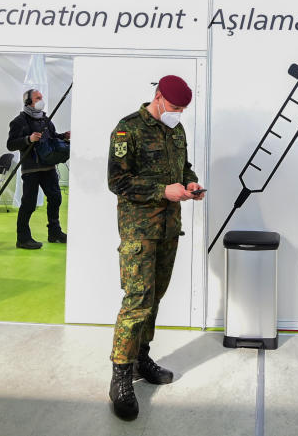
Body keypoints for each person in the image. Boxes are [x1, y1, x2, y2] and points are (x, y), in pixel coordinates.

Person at [106, 75, 205, 421]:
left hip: (168, 229)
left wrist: (189, 181)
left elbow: (182, 167)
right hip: (139, 232)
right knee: (137, 301)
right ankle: (120, 375)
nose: (178, 114)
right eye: (175, 107)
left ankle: (140, 359)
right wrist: (163, 190)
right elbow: (117, 181)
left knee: (155, 297)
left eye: (183, 110)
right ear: (159, 97)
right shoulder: (127, 129)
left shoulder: (176, 131)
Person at [6, 89, 70, 249]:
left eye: (41, 97)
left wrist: (63, 136)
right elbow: (11, 144)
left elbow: (52, 137)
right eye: (38, 98)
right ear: (28, 102)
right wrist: (28, 139)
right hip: (31, 169)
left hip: (48, 166)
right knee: (29, 203)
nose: (42, 100)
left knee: (56, 198)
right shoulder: (19, 121)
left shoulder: (45, 120)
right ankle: (23, 238)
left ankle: (55, 232)